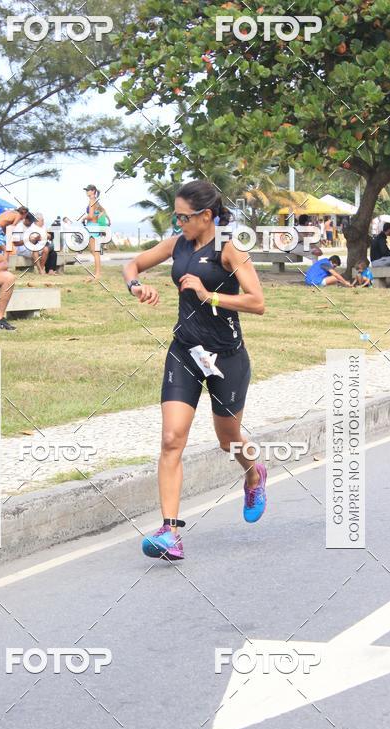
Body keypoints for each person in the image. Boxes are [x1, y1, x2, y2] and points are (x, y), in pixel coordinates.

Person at [122, 179, 267, 561]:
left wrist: (209, 295)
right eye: (176, 216)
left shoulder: (230, 249)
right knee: (172, 438)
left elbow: (257, 302)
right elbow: (132, 265)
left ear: (206, 216)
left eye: (184, 217)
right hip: (185, 350)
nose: (178, 223)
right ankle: (169, 532)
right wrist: (136, 286)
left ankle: (253, 473)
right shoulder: (177, 244)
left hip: (226, 357)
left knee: (228, 438)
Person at [82, 185, 109, 281]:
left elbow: (90, 216)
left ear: (93, 191)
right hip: (95, 226)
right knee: (93, 251)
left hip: (92, 227)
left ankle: (97, 274)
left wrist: (84, 218)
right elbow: (103, 211)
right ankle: (97, 273)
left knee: (95, 252)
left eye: (88, 190)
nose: (86, 192)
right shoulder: (96, 201)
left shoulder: (92, 200)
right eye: (86, 190)